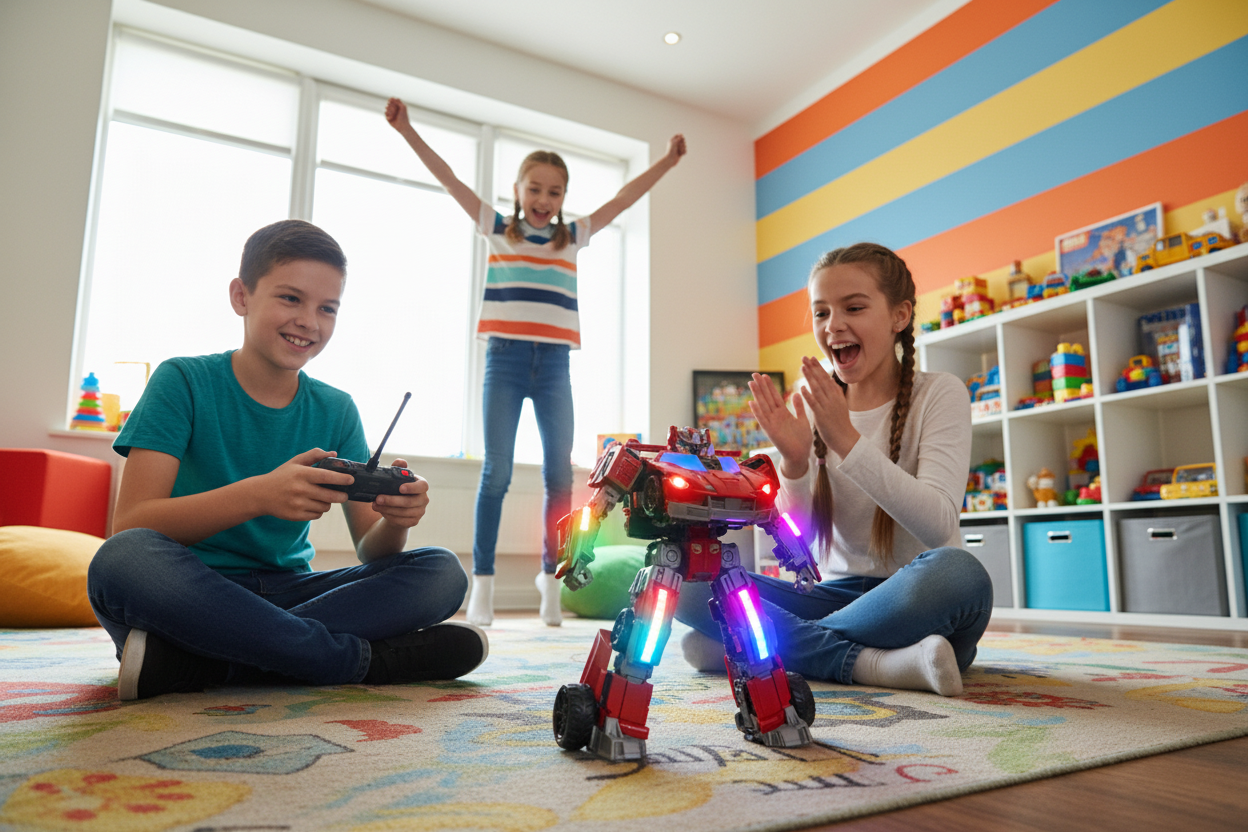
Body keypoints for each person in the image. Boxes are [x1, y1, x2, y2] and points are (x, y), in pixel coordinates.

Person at [88, 219, 487, 701]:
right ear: (241, 296)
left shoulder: (336, 408)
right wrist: (260, 495)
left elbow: (373, 552)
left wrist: (397, 519)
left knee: (441, 573)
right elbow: (131, 524)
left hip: (294, 592)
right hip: (191, 593)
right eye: (290, 298)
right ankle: (355, 661)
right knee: (122, 561)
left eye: (328, 308)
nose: (309, 321)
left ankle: (202, 664)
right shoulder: (182, 381)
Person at [384, 97, 687, 627]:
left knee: (558, 476)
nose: (544, 199)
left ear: (563, 197)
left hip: (552, 367)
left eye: (555, 191)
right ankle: (483, 585)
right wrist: (407, 129)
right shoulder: (498, 228)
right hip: (503, 361)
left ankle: (551, 579)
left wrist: (665, 161)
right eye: (535, 189)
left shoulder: (572, 238)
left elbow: (624, 197)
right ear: (519, 192)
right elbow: (450, 178)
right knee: (495, 473)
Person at [676, 243, 992, 696]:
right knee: (690, 576)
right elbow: (797, 542)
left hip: (914, 600)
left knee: (960, 575)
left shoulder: (940, 393)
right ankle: (875, 665)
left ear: (900, 316)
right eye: (821, 313)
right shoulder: (812, 399)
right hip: (831, 594)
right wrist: (795, 462)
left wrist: (844, 438)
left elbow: (938, 524)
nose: (833, 325)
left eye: (854, 307)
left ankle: (757, 645)